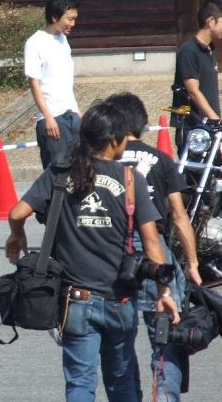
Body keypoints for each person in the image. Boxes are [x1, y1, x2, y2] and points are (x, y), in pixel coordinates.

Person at [6, 101, 179, 402]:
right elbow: (152, 242)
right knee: (122, 383)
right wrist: (164, 292)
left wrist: (17, 235)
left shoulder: (62, 172)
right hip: (119, 299)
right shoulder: (130, 179)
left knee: (80, 384)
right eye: (124, 137)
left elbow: (17, 212)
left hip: (76, 300)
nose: (126, 143)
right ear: (113, 140)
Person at [106, 92, 201, 401]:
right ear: (142, 124)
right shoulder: (161, 160)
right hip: (155, 251)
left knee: (118, 340)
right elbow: (179, 216)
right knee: (164, 335)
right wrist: (192, 263)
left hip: (113, 252)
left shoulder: (105, 161)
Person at [24, 0, 82, 169]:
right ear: (55, 17)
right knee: (57, 177)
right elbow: (34, 83)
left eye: (74, 19)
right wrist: (48, 117)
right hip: (53, 118)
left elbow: (63, 81)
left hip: (71, 115)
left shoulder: (63, 40)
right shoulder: (35, 43)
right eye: (69, 19)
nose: (73, 23)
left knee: (80, 172)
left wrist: (77, 111)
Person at [171, 0, 222, 154]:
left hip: (210, 126)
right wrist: (216, 119)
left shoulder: (209, 52)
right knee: (195, 168)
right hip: (194, 127)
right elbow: (193, 91)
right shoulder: (188, 51)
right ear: (210, 21)